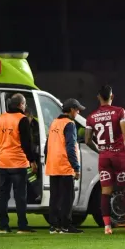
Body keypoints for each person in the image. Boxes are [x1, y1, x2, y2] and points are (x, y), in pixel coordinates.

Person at [85, 85, 125, 234]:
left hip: (104, 157)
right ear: (112, 96)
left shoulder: (91, 117)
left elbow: (87, 140)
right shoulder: (119, 112)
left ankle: (107, 227)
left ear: (98, 97)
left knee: (105, 191)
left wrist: (100, 150)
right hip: (119, 155)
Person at [0, 93, 37, 233]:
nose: (25, 106)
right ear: (20, 105)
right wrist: (32, 160)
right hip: (18, 163)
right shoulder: (22, 119)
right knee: (20, 196)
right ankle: (22, 226)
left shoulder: (0, 118)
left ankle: (3, 226)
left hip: (2, 162)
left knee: (3, 195)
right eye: (24, 104)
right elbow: (26, 143)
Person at [45, 98, 84, 234]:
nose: (78, 112)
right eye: (77, 109)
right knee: (68, 197)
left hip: (53, 165)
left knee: (55, 197)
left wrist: (47, 160)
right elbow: (70, 147)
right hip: (64, 165)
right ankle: (66, 226)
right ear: (72, 110)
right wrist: (76, 167)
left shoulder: (54, 123)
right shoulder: (69, 124)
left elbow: (47, 145)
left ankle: (54, 226)